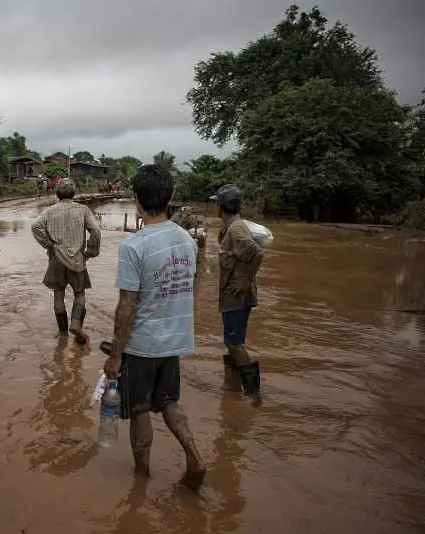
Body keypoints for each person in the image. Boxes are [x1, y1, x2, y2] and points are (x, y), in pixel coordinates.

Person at [103, 164, 206, 491]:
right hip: (175, 341)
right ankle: (194, 455)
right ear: (169, 199)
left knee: (140, 408)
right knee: (169, 402)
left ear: (136, 200)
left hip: (143, 344)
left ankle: (141, 480)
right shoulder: (187, 241)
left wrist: (116, 356)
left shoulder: (135, 246)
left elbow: (126, 307)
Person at [31, 180, 101, 344]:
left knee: (58, 296)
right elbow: (96, 231)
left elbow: (35, 226)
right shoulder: (83, 210)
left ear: (57, 194)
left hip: (56, 259)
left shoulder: (49, 211)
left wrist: (48, 244)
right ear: (73, 194)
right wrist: (90, 252)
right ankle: (76, 323)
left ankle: (63, 334)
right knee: (80, 294)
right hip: (77, 259)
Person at [216, 184, 264, 402]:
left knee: (234, 344)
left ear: (220, 207)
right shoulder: (232, 226)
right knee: (232, 342)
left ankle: (253, 396)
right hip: (233, 294)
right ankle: (233, 391)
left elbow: (257, 253)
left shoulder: (235, 228)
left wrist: (245, 279)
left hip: (237, 294)